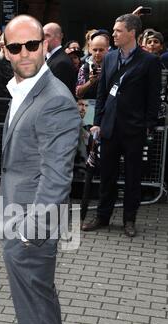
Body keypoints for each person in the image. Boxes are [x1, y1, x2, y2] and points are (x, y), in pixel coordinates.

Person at [0, 14, 80, 324]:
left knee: (33, 307)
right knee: (42, 299)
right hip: (18, 212)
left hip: (30, 224)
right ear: (4, 50)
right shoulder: (23, 87)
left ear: (45, 45)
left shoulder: (55, 98)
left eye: (31, 45)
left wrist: (31, 231)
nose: (24, 53)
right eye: (15, 47)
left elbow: (57, 176)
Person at [82, 13, 161, 237]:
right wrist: (97, 123)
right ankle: (102, 216)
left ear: (131, 33)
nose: (113, 34)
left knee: (132, 176)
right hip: (109, 128)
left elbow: (153, 98)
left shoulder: (149, 61)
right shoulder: (109, 57)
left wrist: (147, 125)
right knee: (106, 174)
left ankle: (129, 219)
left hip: (134, 130)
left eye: (118, 31)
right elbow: (102, 92)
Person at [43, 22, 77, 94]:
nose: (43, 39)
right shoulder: (46, 58)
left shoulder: (61, 63)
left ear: (59, 37)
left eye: (47, 35)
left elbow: (57, 93)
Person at [76, 32, 109, 99]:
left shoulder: (114, 65)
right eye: (95, 50)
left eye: (101, 50)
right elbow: (78, 93)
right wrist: (91, 82)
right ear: (90, 49)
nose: (97, 53)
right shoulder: (85, 67)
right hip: (89, 107)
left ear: (107, 49)